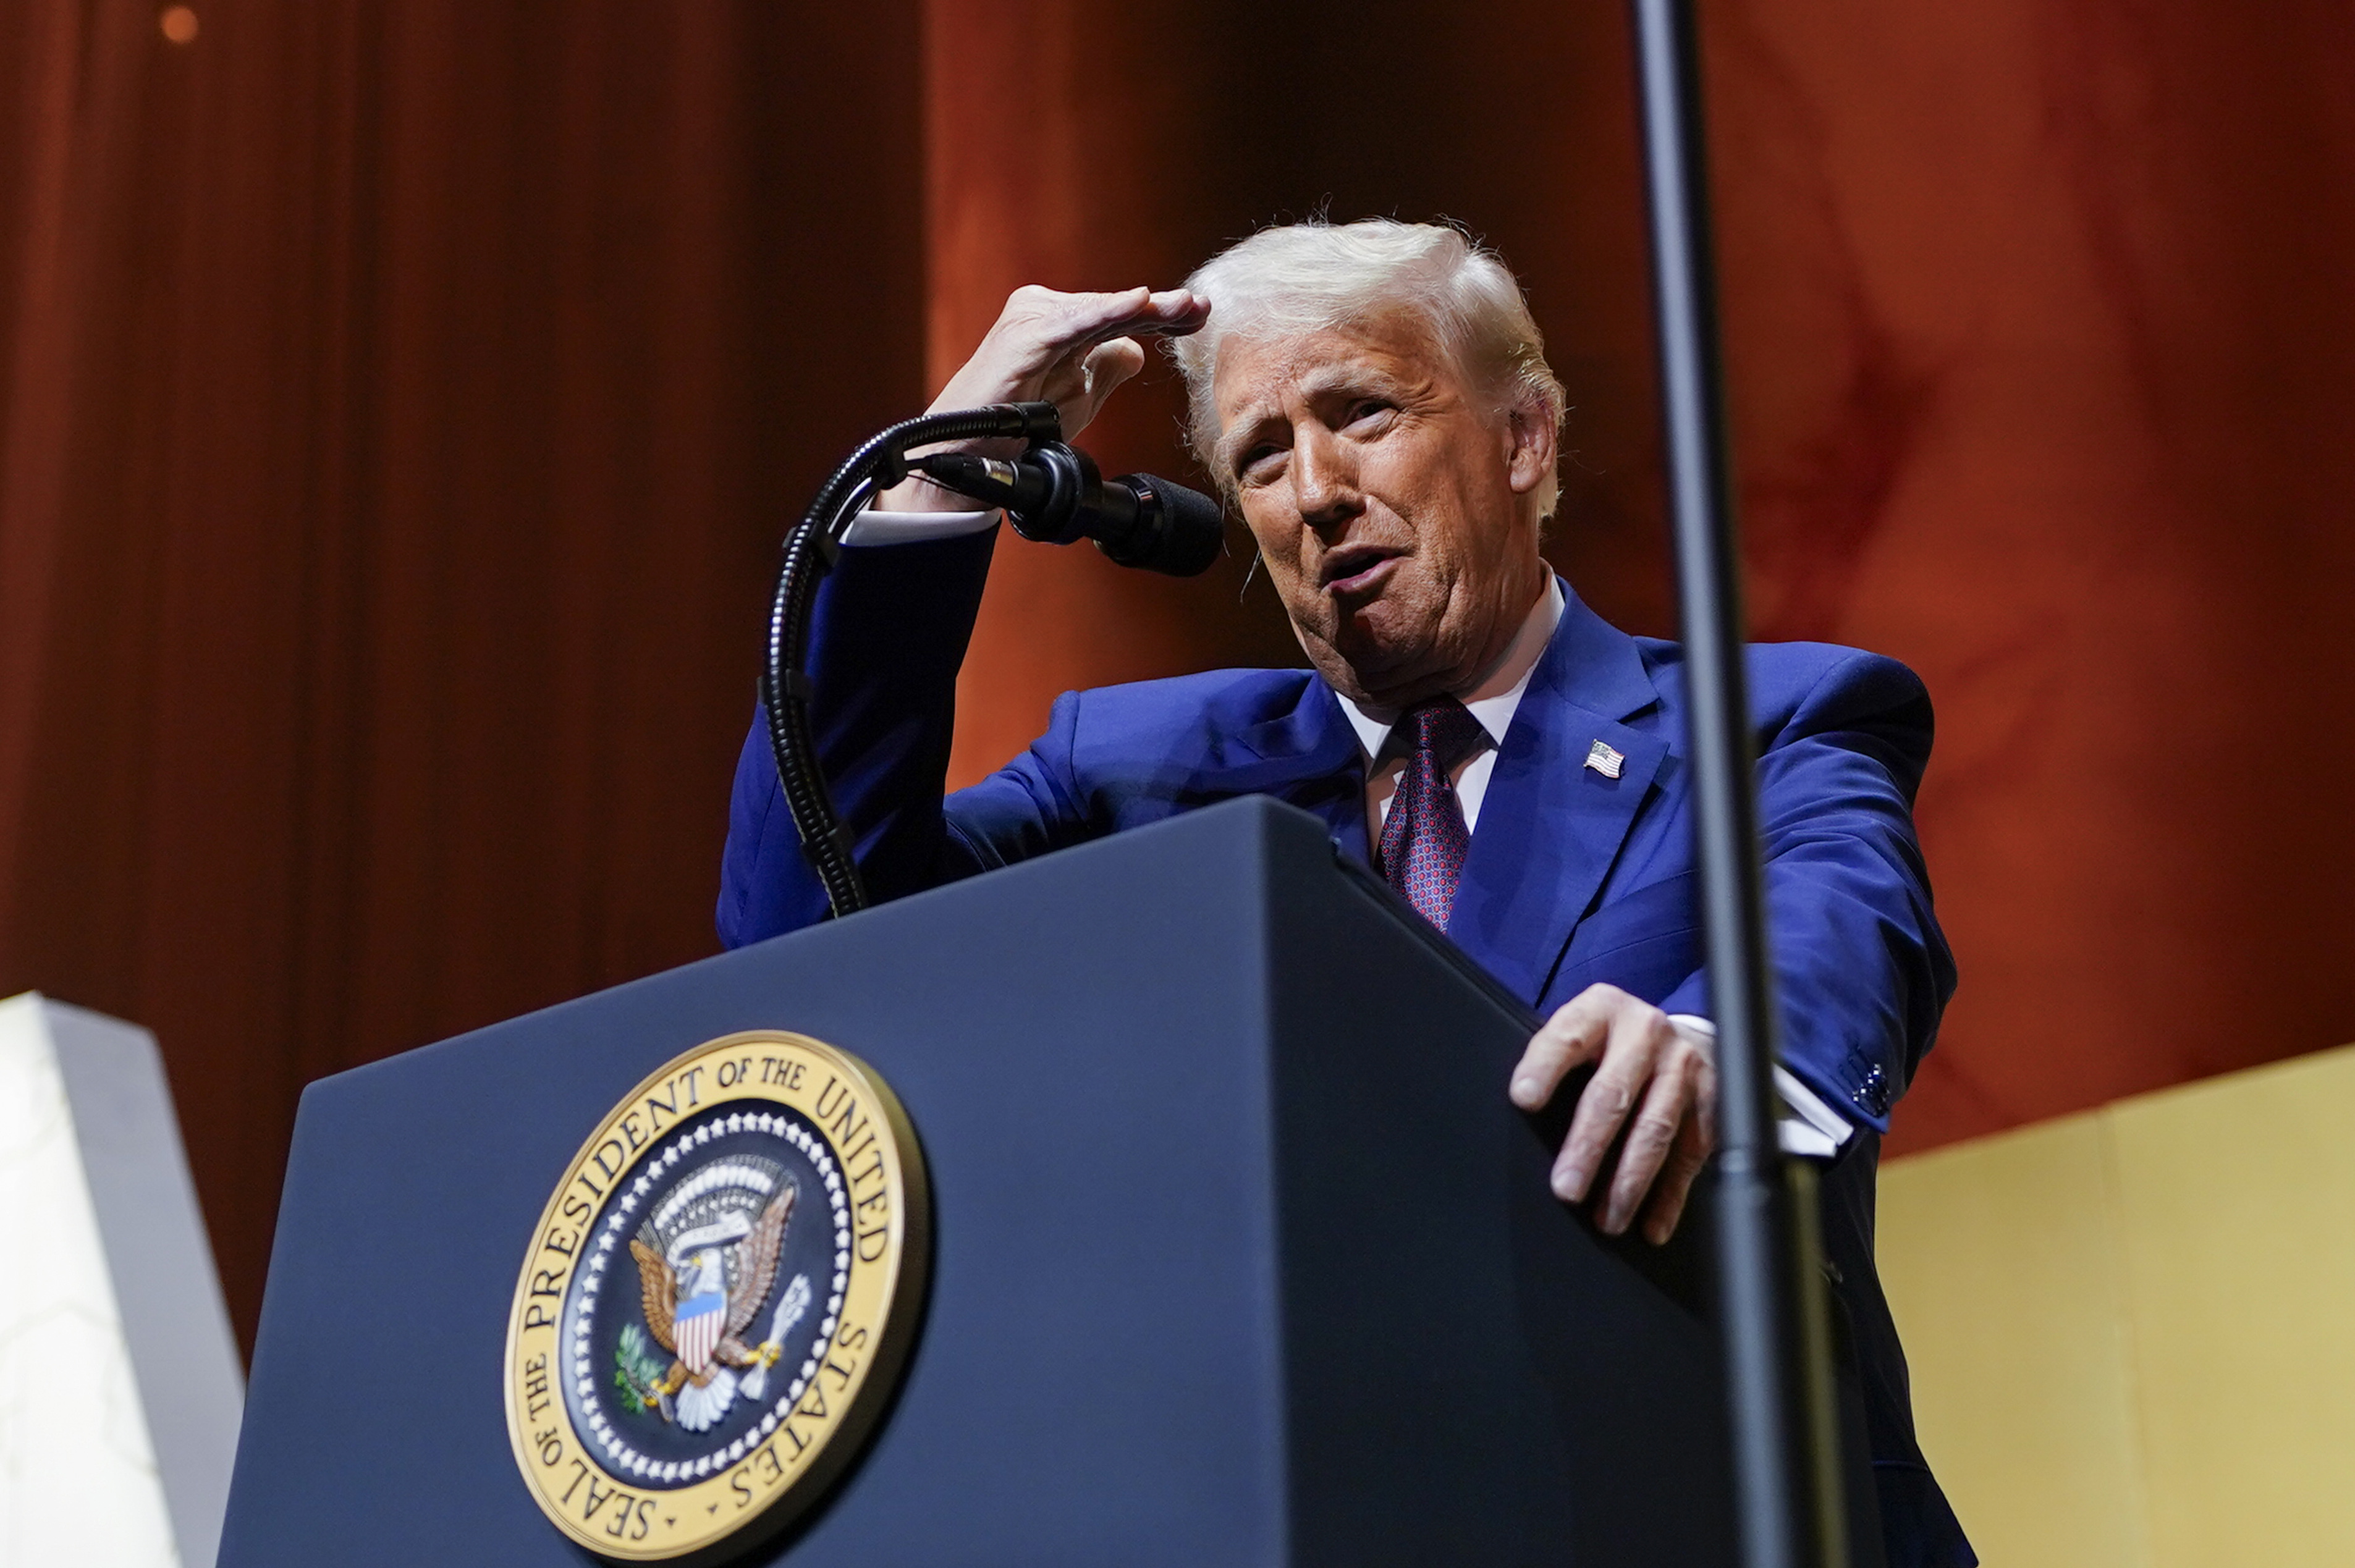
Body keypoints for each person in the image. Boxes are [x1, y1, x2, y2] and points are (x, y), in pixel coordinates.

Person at [717, 219, 1972, 1568]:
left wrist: (1714, 1048)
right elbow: (809, 932)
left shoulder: (1768, 724)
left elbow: (1844, 934)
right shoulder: (1132, 769)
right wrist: (941, 486)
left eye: (1362, 413)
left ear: (1524, 437)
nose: (1313, 490)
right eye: (1261, 454)